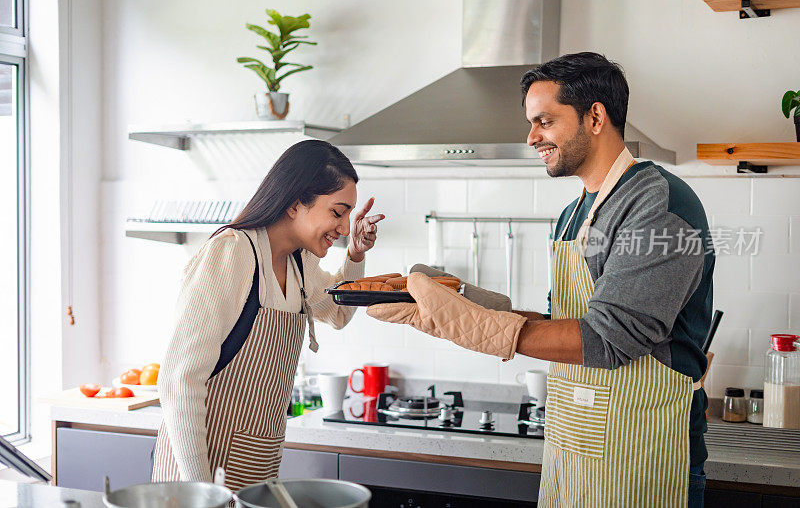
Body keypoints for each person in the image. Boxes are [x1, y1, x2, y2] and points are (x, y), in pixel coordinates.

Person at [369, 52, 714, 507]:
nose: (531, 138)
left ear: (595, 116)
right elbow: (561, 324)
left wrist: (476, 327)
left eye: (544, 121)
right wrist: (462, 299)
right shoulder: (573, 215)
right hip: (574, 448)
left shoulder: (658, 204)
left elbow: (608, 340)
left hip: (646, 449)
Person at [153, 139, 384, 489]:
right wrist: (202, 492)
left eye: (349, 215)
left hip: (255, 470)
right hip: (197, 478)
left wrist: (354, 255)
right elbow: (178, 381)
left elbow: (338, 313)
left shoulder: (299, 262)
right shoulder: (233, 252)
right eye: (337, 212)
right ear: (295, 204)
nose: (345, 227)